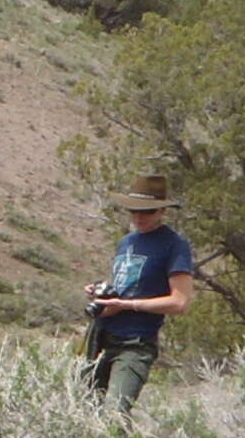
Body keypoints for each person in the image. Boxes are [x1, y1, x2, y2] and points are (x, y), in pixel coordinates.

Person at [81, 173, 200, 412]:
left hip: (135, 342)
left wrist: (128, 305)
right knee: (85, 412)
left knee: (115, 413)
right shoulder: (126, 242)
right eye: (133, 211)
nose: (138, 217)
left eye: (146, 211)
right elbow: (126, 285)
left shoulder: (174, 245)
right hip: (102, 337)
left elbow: (180, 302)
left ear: (161, 211)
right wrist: (101, 294)